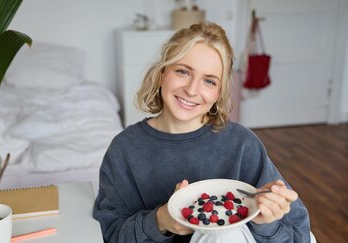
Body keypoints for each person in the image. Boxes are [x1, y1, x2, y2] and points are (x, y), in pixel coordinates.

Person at [93, 22, 310, 242]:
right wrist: (161, 220)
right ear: (161, 74)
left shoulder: (241, 144)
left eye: (209, 81)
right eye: (183, 71)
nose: (192, 90)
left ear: (218, 93)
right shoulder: (125, 148)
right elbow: (109, 233)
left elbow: (300, 234)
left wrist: (266, 224)